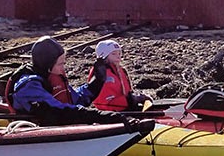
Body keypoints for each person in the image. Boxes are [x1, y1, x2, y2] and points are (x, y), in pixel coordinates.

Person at [10, 36, 144, 127]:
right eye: (60, 64)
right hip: (38, 129)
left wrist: (96, 82)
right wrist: (104, 116)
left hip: (59, 124)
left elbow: (77, 100)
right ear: (47, 65)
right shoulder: (28, 86)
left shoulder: (53, 76)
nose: (63, 69)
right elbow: (60, 111)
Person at [87, 40, 150, 112]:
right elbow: (106, 104)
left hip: (122, 106)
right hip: (110, 111)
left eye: (119, 54)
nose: (118, 57)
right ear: (104, 56)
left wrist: (135, 98)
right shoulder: (101, 74)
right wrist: (132, 100)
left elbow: (126, 92)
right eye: (113, 54)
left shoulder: (119, 70)